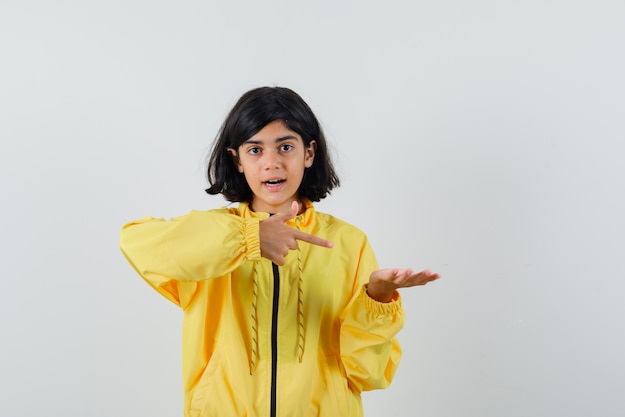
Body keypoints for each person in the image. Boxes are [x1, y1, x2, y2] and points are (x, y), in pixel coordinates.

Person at [119, 86, 440, 417]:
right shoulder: (209, 240)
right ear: (237, 159)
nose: (271, 163)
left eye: (285, 147)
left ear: (309, 153)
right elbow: (135, 241)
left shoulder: (348, 242)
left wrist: (378, 298)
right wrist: (250, 237)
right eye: (255, 150)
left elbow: (367, 373)